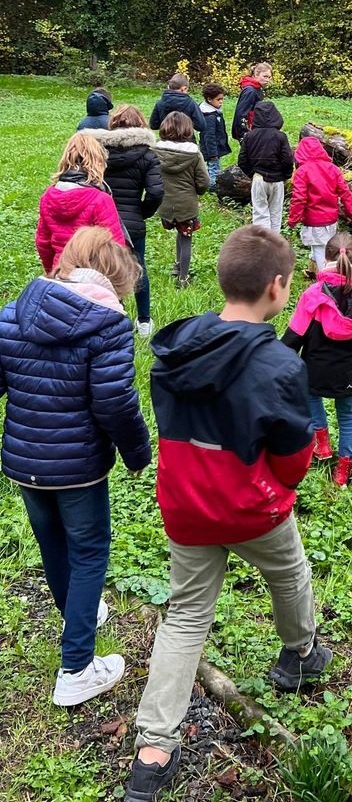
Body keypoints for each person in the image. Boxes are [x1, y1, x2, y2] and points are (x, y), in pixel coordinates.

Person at [123, 227, 331, 802]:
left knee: (186, 615)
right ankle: (299, 654)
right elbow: (291, 462)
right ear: (278, 286)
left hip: (187, 506)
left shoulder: (176, 347)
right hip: (251, 508)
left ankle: (154, 750)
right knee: (289, 574)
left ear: (222, 278)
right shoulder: (279, 365)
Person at [0, 227, 151, 707]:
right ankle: (77, 668)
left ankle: (75, 613)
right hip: (77, 466)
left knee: (52, 541)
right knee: (89, 552)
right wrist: (137, 453)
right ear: (114, 278)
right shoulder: (107, 325)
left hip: (25, 462)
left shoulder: (16, 310)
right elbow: (114, 403)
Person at [283, 231, 352, 488]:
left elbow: (294, 336)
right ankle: (343, 471)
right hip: (348, 373)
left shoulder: (313, 295)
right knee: (347, 416)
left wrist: (275, 357)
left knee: (311, 396)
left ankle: (321, 444)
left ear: (326, 260)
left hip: (314, 370)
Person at [87, 105, 163, 338]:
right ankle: (144, 322)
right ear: (141, 124)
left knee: (102, 269)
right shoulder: (148, 155)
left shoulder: (98, 152)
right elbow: (156, 192)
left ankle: (111, 317)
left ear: (114, 124)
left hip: (102, 222)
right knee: (138, 269)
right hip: (133, 223)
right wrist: (141, 211)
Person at [36, 133, 127, 273]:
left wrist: (53, 272)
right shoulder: (100, 199)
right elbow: (115, 246)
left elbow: (43, 243)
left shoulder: (48, 197)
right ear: (98, 161)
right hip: (93, 275)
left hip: (61, 272)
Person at [156, 112, 210, 288]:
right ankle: (183, 278)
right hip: (186, 203)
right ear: (188, 129)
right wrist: (198, 191)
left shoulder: (156, 152)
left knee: (180, 233)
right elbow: (204, 182)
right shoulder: (194, 154)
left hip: (164, 202)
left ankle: (177, 265)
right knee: (186, 236)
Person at [287, 134, 352, 270]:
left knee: (320, 250)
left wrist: (293, 219)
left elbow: (299, 198)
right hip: (331, 219)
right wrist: (351, 213)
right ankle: (312, 269)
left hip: (314, 220)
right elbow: (345, 192)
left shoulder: (302, 171)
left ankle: (326, 281)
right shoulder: (333, 169)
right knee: (324, 245)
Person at [237, 100, 293, 231]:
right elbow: (287, 159)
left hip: (258, 178)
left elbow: (242, 160)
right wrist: (286, 175)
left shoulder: (249, 136)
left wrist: (253, 173)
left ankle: (262, 246)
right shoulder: (280, 136)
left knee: (260, 214)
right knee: (275, 214)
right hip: (277, 180)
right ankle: (274, 246)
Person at [199, 82, 231, 186]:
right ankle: (213, 187)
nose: (221, 102)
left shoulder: (215, 112)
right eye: (218, 99)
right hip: (212, 150)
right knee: (214, 170)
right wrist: (213, 154)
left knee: (214, 168)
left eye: (222, 99)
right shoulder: (209, 116)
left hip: (215, 148)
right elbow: (209, 136)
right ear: (209, 99)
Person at [231, 61, 273, 140]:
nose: (267, 80)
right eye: (265, 76)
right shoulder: (250, 91)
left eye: (269, 77)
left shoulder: (257, 88)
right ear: (256, 74)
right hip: (248, 132)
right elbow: (241, 113)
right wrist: (244, 134)